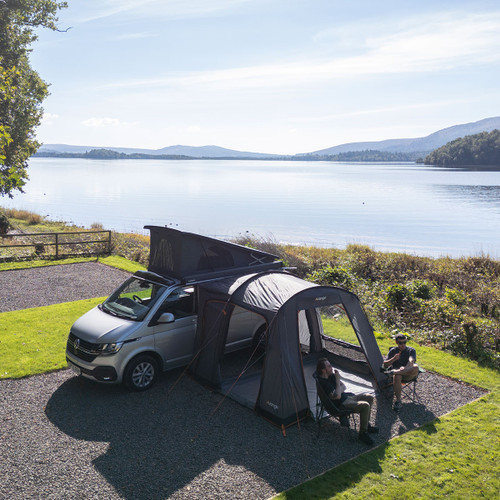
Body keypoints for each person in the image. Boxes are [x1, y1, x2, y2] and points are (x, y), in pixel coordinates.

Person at [316, 357, 378, 445]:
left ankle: (366, 425)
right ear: (323, 370)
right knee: (365, 405)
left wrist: (339, 391)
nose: (332, 367)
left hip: (347, 397)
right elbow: (337, 397)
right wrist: (338, 381)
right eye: (329, 366)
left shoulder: (331, 376)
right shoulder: (324, 383)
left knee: (369, 397)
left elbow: (344, 387)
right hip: (342, 404)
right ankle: (362, 433)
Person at [383, 333, 419, 411]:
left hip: (408, 374)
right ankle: (398, 401)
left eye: (404, 342)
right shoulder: (393, 351)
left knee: (415, 367)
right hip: (398, 377)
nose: (403, 345)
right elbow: (385, 365)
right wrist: (394, 359)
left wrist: (405, 368)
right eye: (400, 343)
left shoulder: (411, 350)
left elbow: (411, 361)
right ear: (396, 342)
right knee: (397, 376)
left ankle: (395, 372)